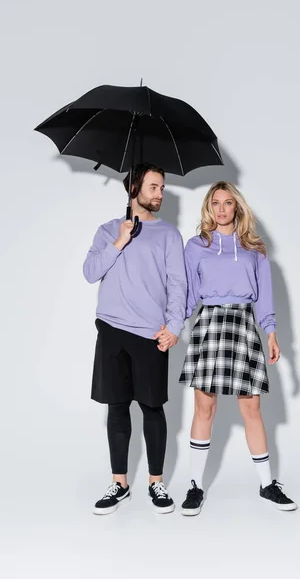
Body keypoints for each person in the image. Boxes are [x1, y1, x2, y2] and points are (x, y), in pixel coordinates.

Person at [179, 181, 297, 515]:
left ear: (237, 208)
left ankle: (266, 484)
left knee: (251, 409)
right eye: (215, 203)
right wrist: (172, 327)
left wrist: (271, 333)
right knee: (204, 407)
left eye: (227, 203)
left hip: (244, 325)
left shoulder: (254, 249)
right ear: (208, 207)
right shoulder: (196, 247)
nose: (220, 209)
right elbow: (188, 297)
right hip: (209, 326)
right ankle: (195, 487)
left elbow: (265, 297)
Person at [83, 163, 187, 515]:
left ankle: (156, 483)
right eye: (154, 187)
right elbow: (90, 272)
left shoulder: (169, 235)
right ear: (134, 189)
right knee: (116, 407)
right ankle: (120, 484)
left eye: (162, 188)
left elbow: (178, 285)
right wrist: (120, 240)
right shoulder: (108, 230)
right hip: (111, 330)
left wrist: (174, 327)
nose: (160, 194)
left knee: (152, 407)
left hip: (150, 334)